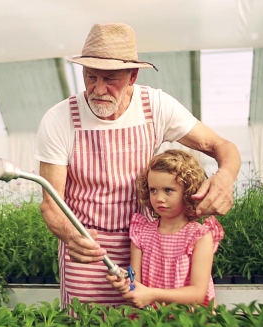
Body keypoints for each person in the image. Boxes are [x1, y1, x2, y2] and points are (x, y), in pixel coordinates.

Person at [35, 22, 240, 308]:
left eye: (111, 79)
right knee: (87, 325)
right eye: (90, 77)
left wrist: (225, 177)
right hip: (88, 248)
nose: (98, 89)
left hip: (146, 243)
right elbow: (50, 203)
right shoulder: (59, 119)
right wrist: (72, 236)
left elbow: (223, 147)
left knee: (146, 322)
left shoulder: (154, 106)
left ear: (132, 76)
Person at [106, 149, 224, 308]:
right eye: (153, 190)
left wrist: (152, 294)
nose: (159, 198)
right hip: (151, 320)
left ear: (189, 192)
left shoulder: (199, 236)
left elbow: (197, 293)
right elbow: (136, 284)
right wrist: (126, 281)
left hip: (188, 323)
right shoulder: (141, 233)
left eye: (168, 190)